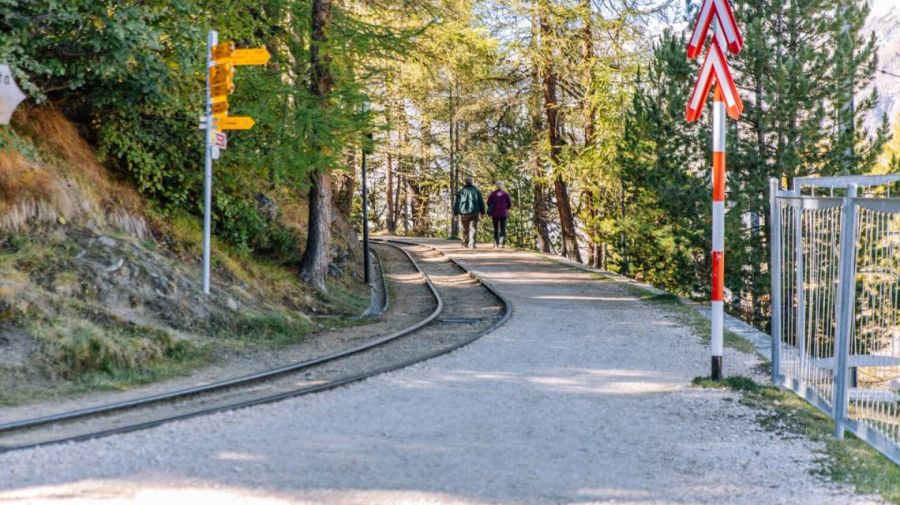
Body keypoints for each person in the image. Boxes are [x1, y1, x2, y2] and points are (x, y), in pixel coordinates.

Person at [453, 176, 485, 248]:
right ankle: (472, 244)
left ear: (466, 182)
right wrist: (482, 212)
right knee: (473, 228)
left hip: (464, 213)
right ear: (472, 182)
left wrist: (455, 213)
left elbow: (457, 203)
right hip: (474, 211)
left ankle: (465, 243)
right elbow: (481, 202)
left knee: (465, 228)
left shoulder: (461, 192)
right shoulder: (476, 191)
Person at [487, 181, 512, 247]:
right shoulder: (506, 194)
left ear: (496, 186)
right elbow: (509, 204)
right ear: (502, 186)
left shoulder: (493, 194)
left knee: (496, 228)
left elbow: (488, 202)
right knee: (503, 228)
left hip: (495, 213)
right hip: (503, 213)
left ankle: (496, 242)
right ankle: (502, 243)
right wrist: (505, 208)